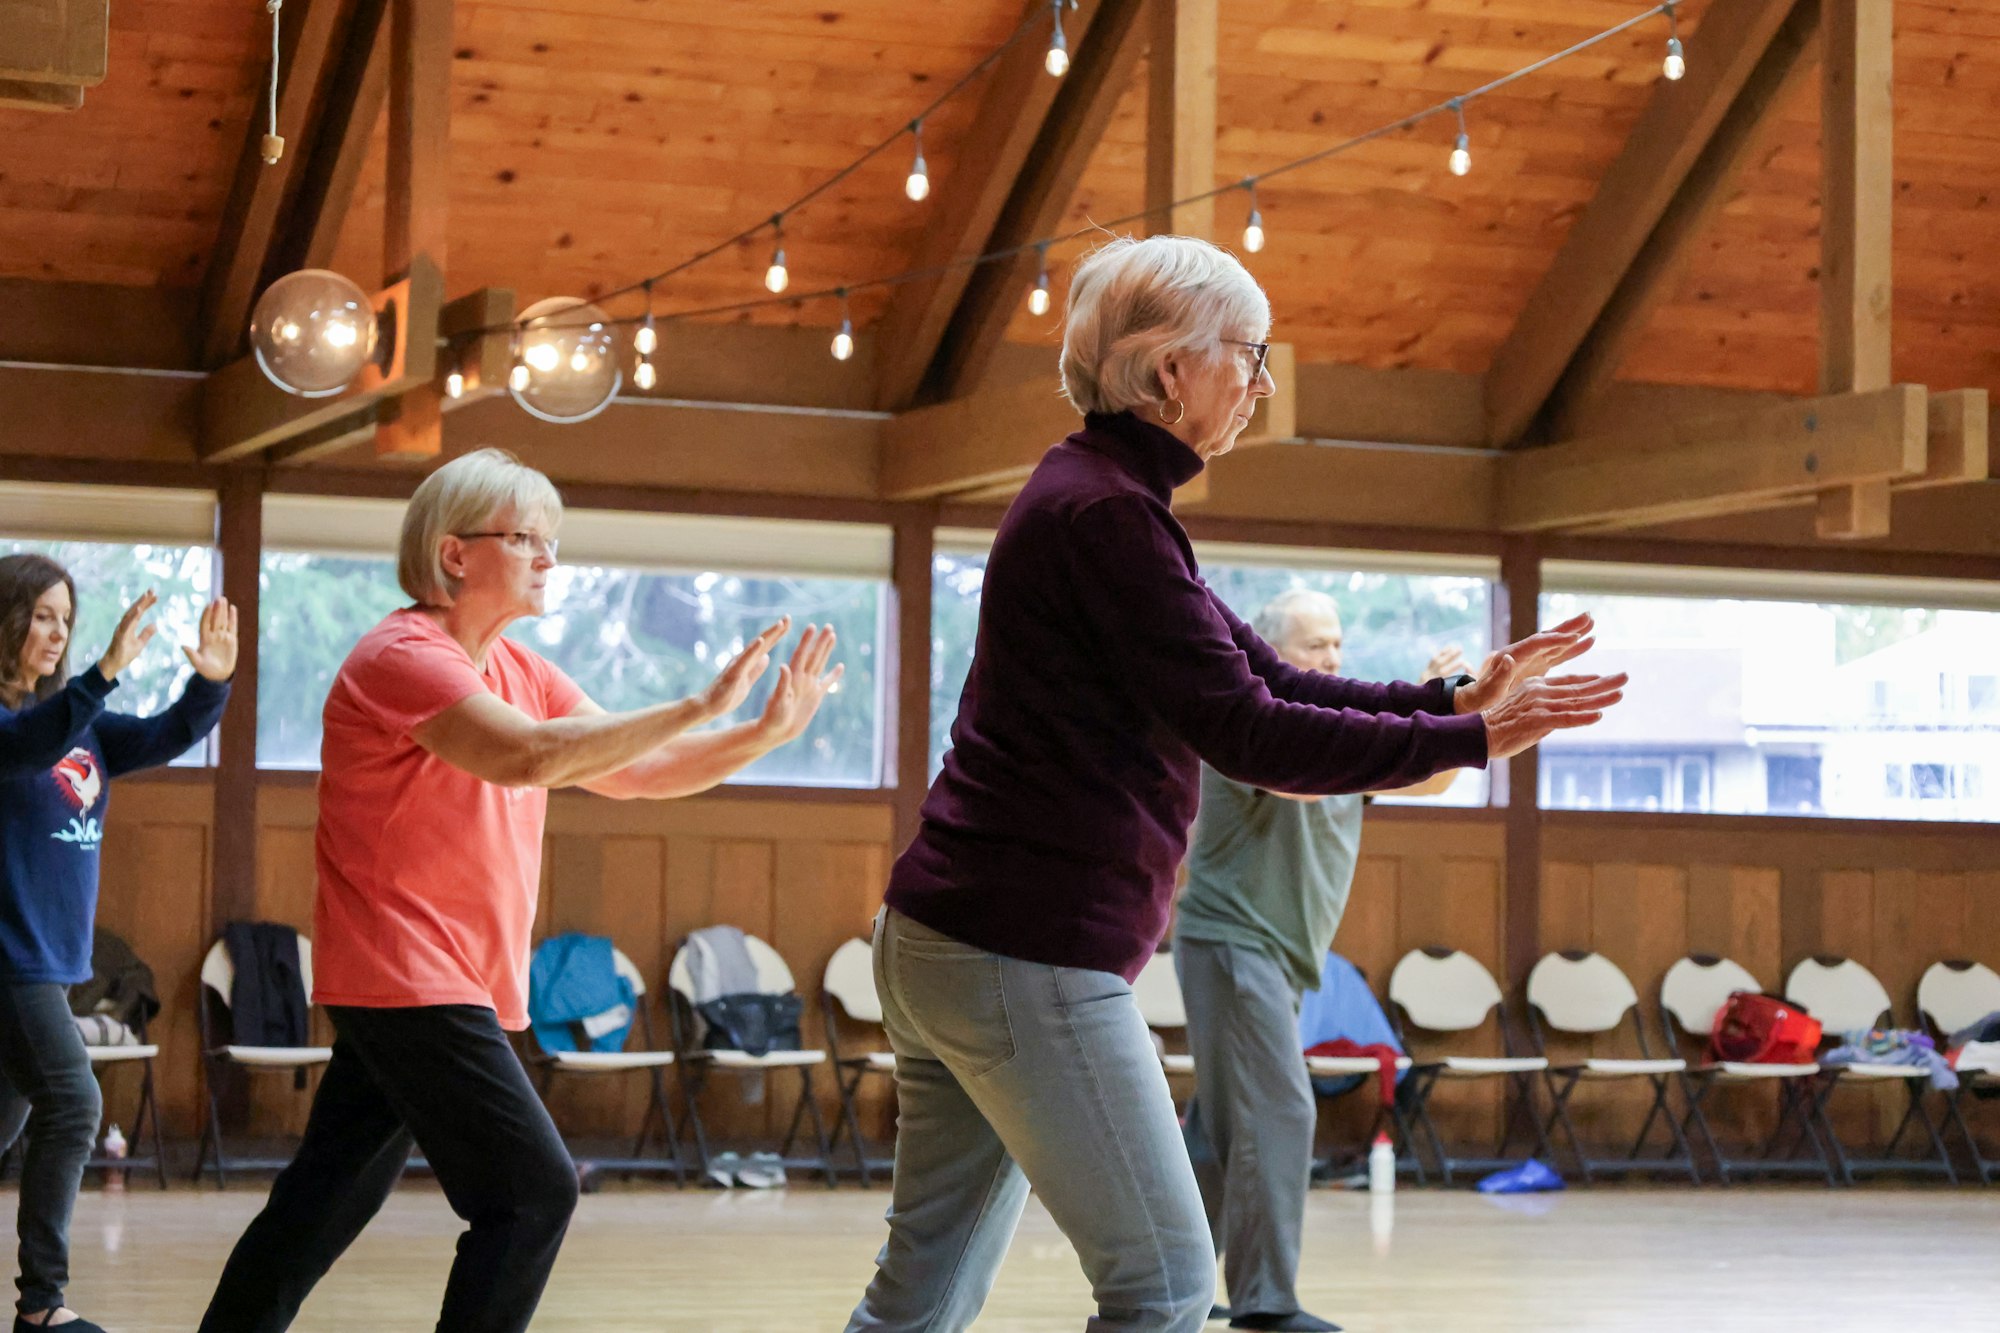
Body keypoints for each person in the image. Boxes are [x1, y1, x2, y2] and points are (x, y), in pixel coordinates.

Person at [843, 233, 1624, 1333]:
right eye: (1248, 356)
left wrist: (1446, 701)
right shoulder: (1106, 514)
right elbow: (1251, 732)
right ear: (1170, 371)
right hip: (1023, 949)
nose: (1259, 384)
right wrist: (1468, 746)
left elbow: (1254, 675)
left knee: (919, 1295)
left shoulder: (1104, 499)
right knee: (1163, 1284)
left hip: (955, 937)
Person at [199, 449, 843, 1333]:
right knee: (533, 1195)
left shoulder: (522, 669)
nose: (549, 557)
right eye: (528, 538)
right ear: (456, 553)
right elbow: (529, 755)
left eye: (553, 540)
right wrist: (697, 705)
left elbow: (638, 769)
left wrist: (760, 734)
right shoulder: (402, 655)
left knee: (323, 1201)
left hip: (444, 979)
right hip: (409, 975)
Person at [1174, 589, 1465, 1332]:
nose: (1332, 658)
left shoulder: (1334, 733)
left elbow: (1428, 778)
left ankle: (1163, 1282)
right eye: (1313, 646)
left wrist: (1453, 720)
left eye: (1337, 644)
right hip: (1233, 940)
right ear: (1272, 652)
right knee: (1279, 1107)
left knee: (1216, 1126)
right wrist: (1422, 723)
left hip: (1272, 952)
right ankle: (1266, 1303)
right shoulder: (1253, 726)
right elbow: (1305, 771)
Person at [0, 555, 235, 1332]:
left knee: (4, 1126)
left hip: (53, 964)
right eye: (40, 614)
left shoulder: (83, 724)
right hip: (10, 962)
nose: (56, 629)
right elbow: (30, 745)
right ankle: (41, 1307)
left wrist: (210, 685)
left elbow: (168, 733)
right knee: (75, 1103)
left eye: (65, 617)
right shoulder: (17, 725)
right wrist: (99, 674)